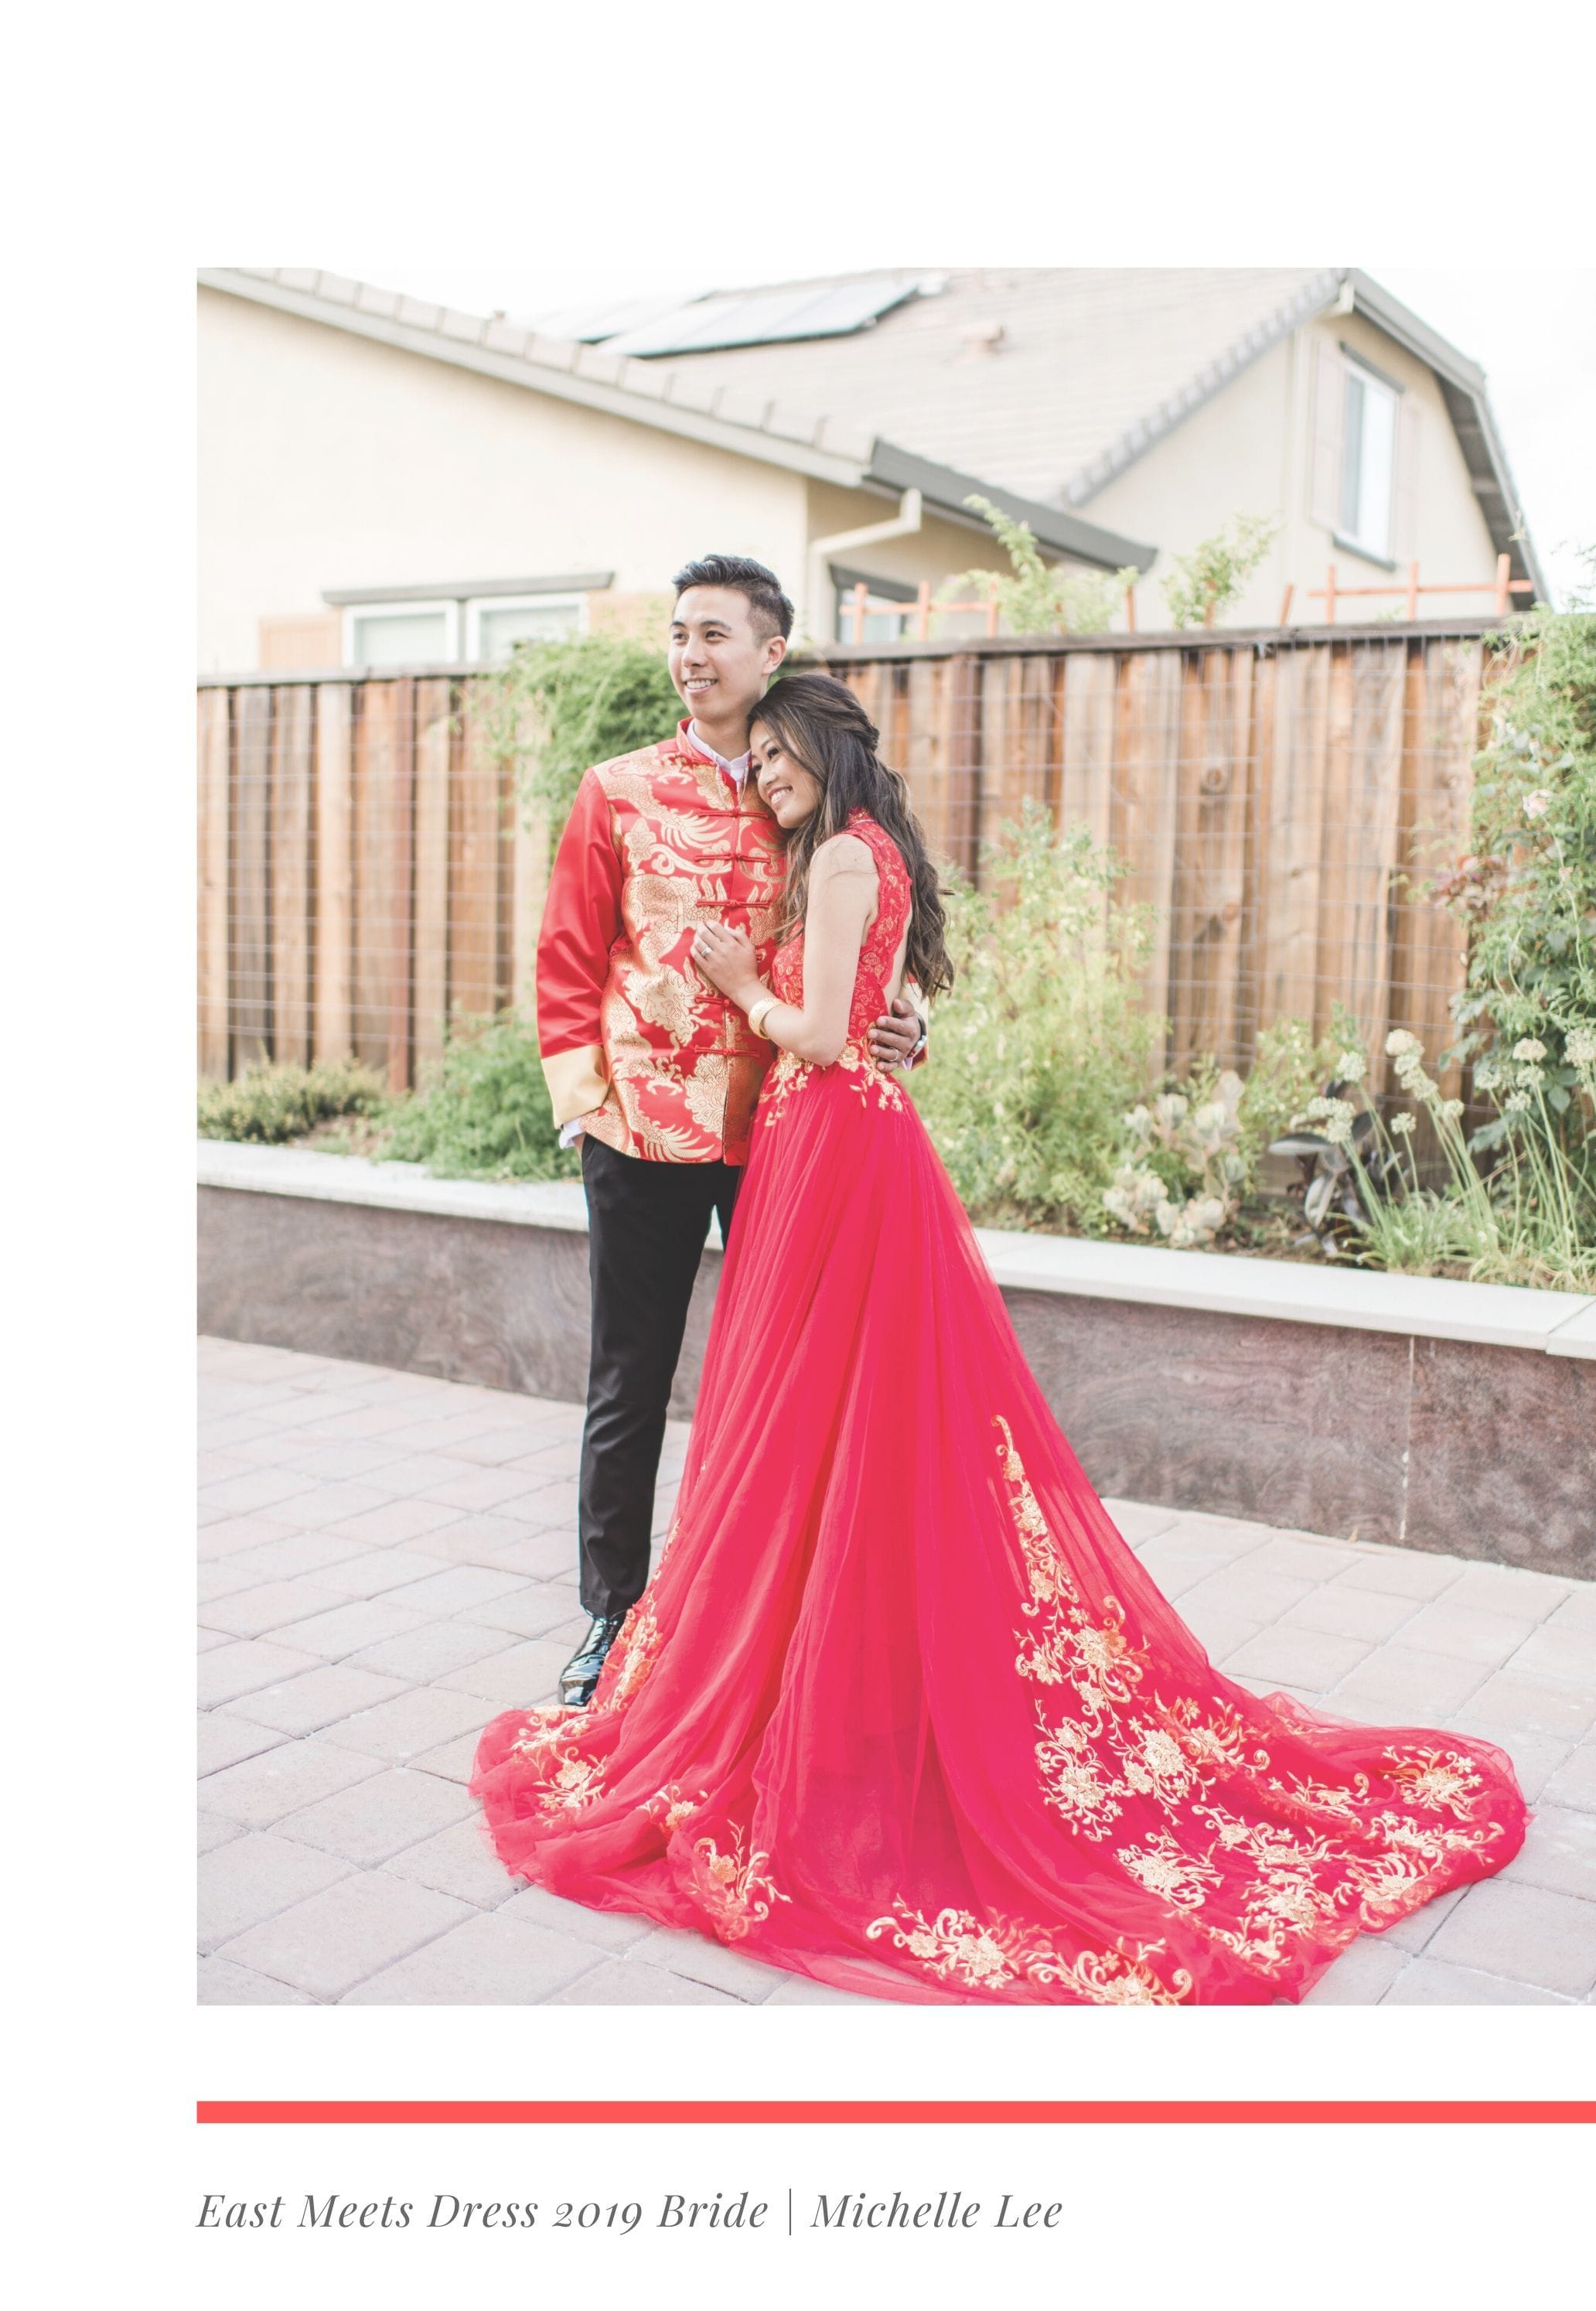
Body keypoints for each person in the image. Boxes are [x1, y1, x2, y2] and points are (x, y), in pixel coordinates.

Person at [472, 673, 1527, 2005]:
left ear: (823, 749)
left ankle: (830, 1696)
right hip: (805, 1145)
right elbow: (854, 1015)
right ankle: (811, 1666)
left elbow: (831, 1031)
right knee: (819, 1425)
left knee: (820, 1420)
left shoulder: (843, 859)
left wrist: (747, 983)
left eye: (786, 758)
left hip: (828, 1148)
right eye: (763, 763)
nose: (767, 777)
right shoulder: (840, 851)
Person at [535, 556, 924, 1705]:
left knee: (786, 1388)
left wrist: (908, 1025)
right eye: (678, 633)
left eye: (715, 635)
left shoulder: (804, 787)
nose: (691, 655)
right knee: (630, 1381)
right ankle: (613, 1615)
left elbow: (878, 939)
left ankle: (774, 1627)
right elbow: (568, 954)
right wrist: (581, 1111)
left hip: (790, 1139)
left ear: (771, 655)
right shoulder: (617, 789)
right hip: (640, 1130)